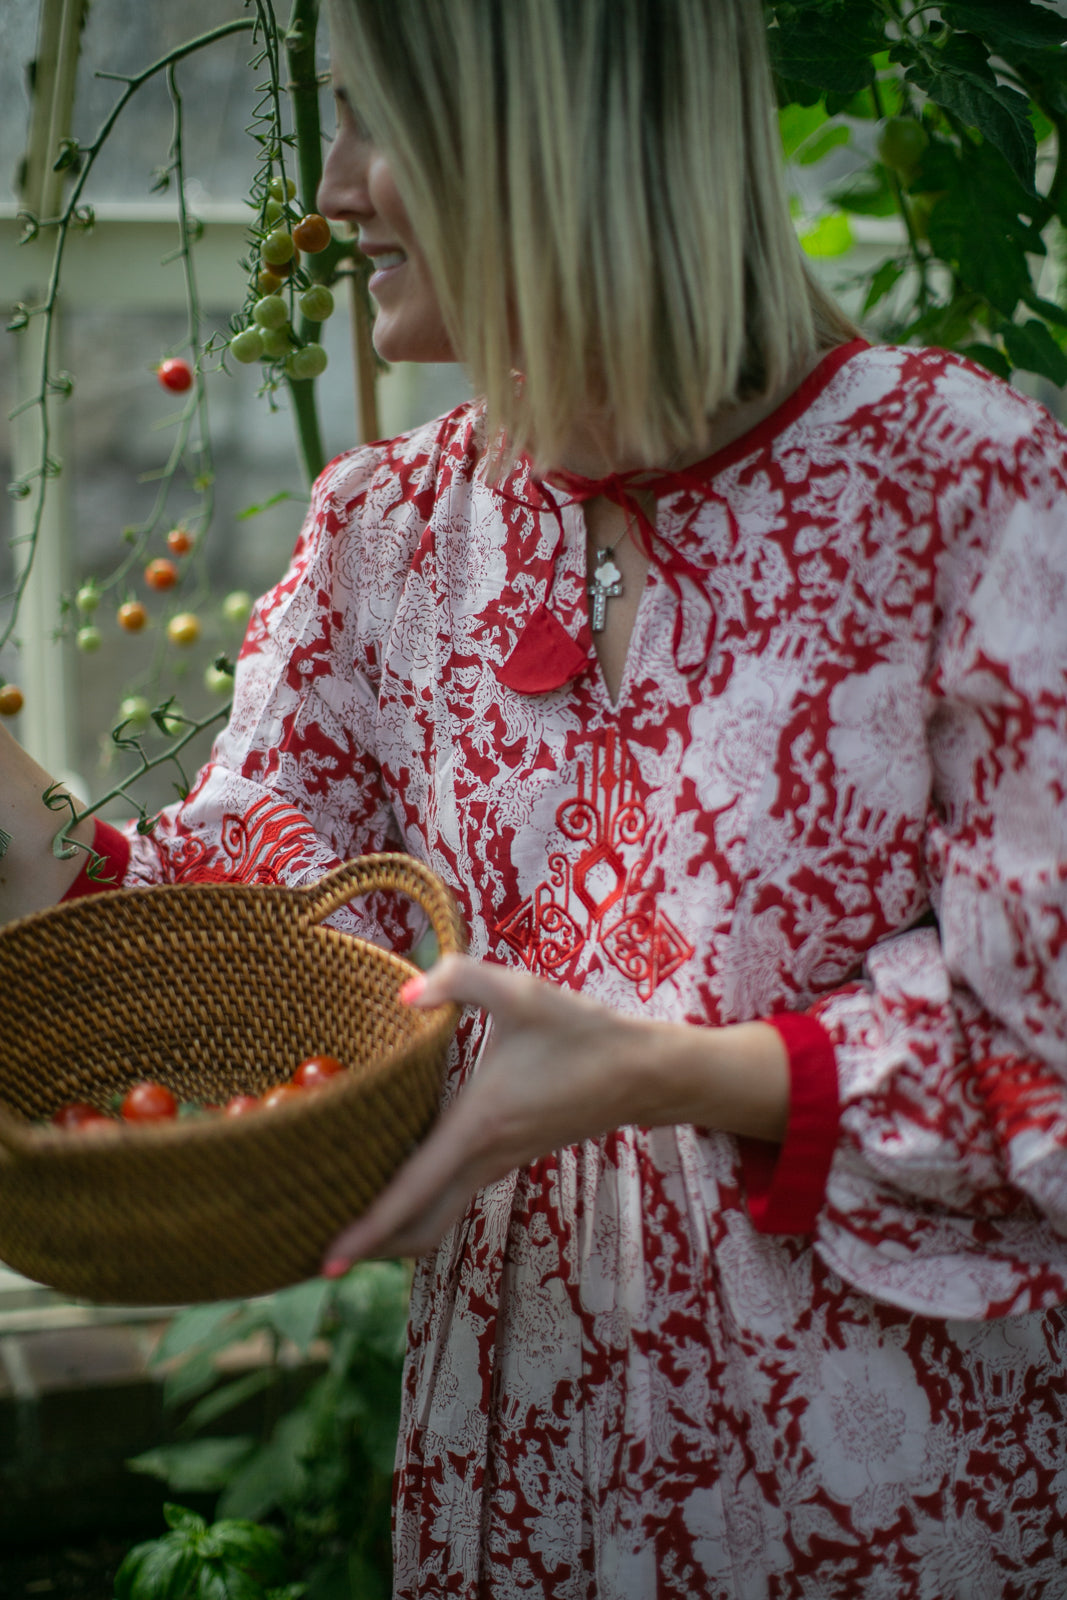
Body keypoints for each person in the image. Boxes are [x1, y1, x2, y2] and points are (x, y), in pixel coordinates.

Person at [2, 1, 1066, 1594]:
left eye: (377, 122)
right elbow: (264, 947)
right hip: (523, 1480)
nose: (333, 187)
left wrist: (681, 1071)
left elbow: (1042, 1041)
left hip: (870, 1501)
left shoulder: (965, 487)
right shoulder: (392, 539)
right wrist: (27, 841)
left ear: (544, 122)